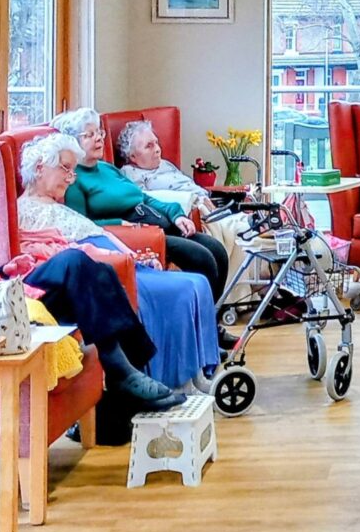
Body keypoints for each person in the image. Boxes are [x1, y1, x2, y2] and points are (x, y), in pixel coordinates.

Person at [0, 131, 183, 411]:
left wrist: (3, 268)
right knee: (74, 263)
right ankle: (124, 371)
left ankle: (128, 372)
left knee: (96, 272)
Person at [17, 134, 220, 393]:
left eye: (72, 171)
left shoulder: (69, 196)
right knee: (182, 288)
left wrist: (134, 255)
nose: (70, 177)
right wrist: (126, 258)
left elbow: (100, 233)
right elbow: (67, 251)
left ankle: (196, 370)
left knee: (199, 279)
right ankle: (169, 378)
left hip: (118, 259)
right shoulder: (27, 212)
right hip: (105, 268)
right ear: (39, 168)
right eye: (65, 169)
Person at [50, 109, 237, 350]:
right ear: (73, 142)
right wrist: (120, 224)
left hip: (156, 221)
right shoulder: (76, 180)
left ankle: (210, 326)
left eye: (99, 132)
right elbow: (82, 225)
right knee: (203, 259)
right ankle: (202, 338)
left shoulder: (107, 169)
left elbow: (144, 197)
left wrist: (176, 213)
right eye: (89, 135)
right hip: (138, 235)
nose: (99, 138)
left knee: (217, 251)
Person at [117, 119, 249, 297]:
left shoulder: (165, 164)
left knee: (255, 229)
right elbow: (143, 200)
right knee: (244, 232)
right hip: (195, 216)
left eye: (156, 143)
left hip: (210, 208)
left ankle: (263, 292)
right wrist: (195, 200)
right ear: (132, 156)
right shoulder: (130, 174)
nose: (157, 149)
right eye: (149, 146)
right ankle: (237, 296)